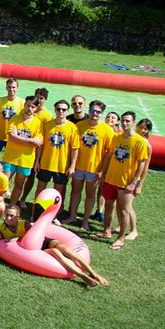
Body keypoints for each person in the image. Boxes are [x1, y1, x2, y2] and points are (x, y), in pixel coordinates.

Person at [0, 204, 108, 287]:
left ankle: (94, 273)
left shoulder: (25, 224)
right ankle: (82, 275)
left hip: (44, 242)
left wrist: (17, 238)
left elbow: (31, 237)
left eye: (11, 216)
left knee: (67, 250)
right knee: (56, 253)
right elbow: (0, 242)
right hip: (36, 251)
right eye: (7, 215)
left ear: (18, 216)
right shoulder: (2, 228)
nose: (8, 218)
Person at [99, 111, 149, 250]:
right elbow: (109, 155)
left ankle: (121, 238)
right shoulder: (116, 137)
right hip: (111, 179)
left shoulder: (139, 141)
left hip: (126, 183)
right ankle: (106, 232)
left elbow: (142, 163)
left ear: (133, 123)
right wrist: (103, 173)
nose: (125, 123)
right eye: (123, 121)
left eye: (128, 121)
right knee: (108, 207)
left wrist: (134, 182)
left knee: (123, 210)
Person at [63, 100, 110, 229]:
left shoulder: (107, 130)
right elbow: (74, 146)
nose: (95, 113)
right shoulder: (79, 126)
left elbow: (109, 153)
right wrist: (72, 165)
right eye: (92, 110)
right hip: (79, 166)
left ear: (102, 113)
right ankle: (72, 216)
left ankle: (85, 221)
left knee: (90, 194)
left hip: (94, 168)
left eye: (98, 112)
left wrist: (102, 171)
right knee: (75, 191)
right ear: (89, 110)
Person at [34, 100, 78, 206]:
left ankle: (55, 212)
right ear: (55, 110)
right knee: (40, 187)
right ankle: (37, 209)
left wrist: (72, 166)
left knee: (58, 191)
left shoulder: (73, 128)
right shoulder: (47, 125)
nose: (61, 111)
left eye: (64, 109)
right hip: (46, 163)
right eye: (58, 109)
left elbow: (75, 148)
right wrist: (37, 161)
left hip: (62, 165)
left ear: (67, 111)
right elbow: (41, 144)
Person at [1, 96, 44, 207]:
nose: (29, 108)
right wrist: (31, 141)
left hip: (26, 160)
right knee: (4, 181)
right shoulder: (15, 119)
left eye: (33, 107)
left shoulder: (38, 123)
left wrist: (18, 138)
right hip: (10, 157)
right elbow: (11, 137)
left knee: (19, 184)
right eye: (28, 105)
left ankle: (12, 206)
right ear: (24, 105)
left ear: (36, 108)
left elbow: (38, 143)